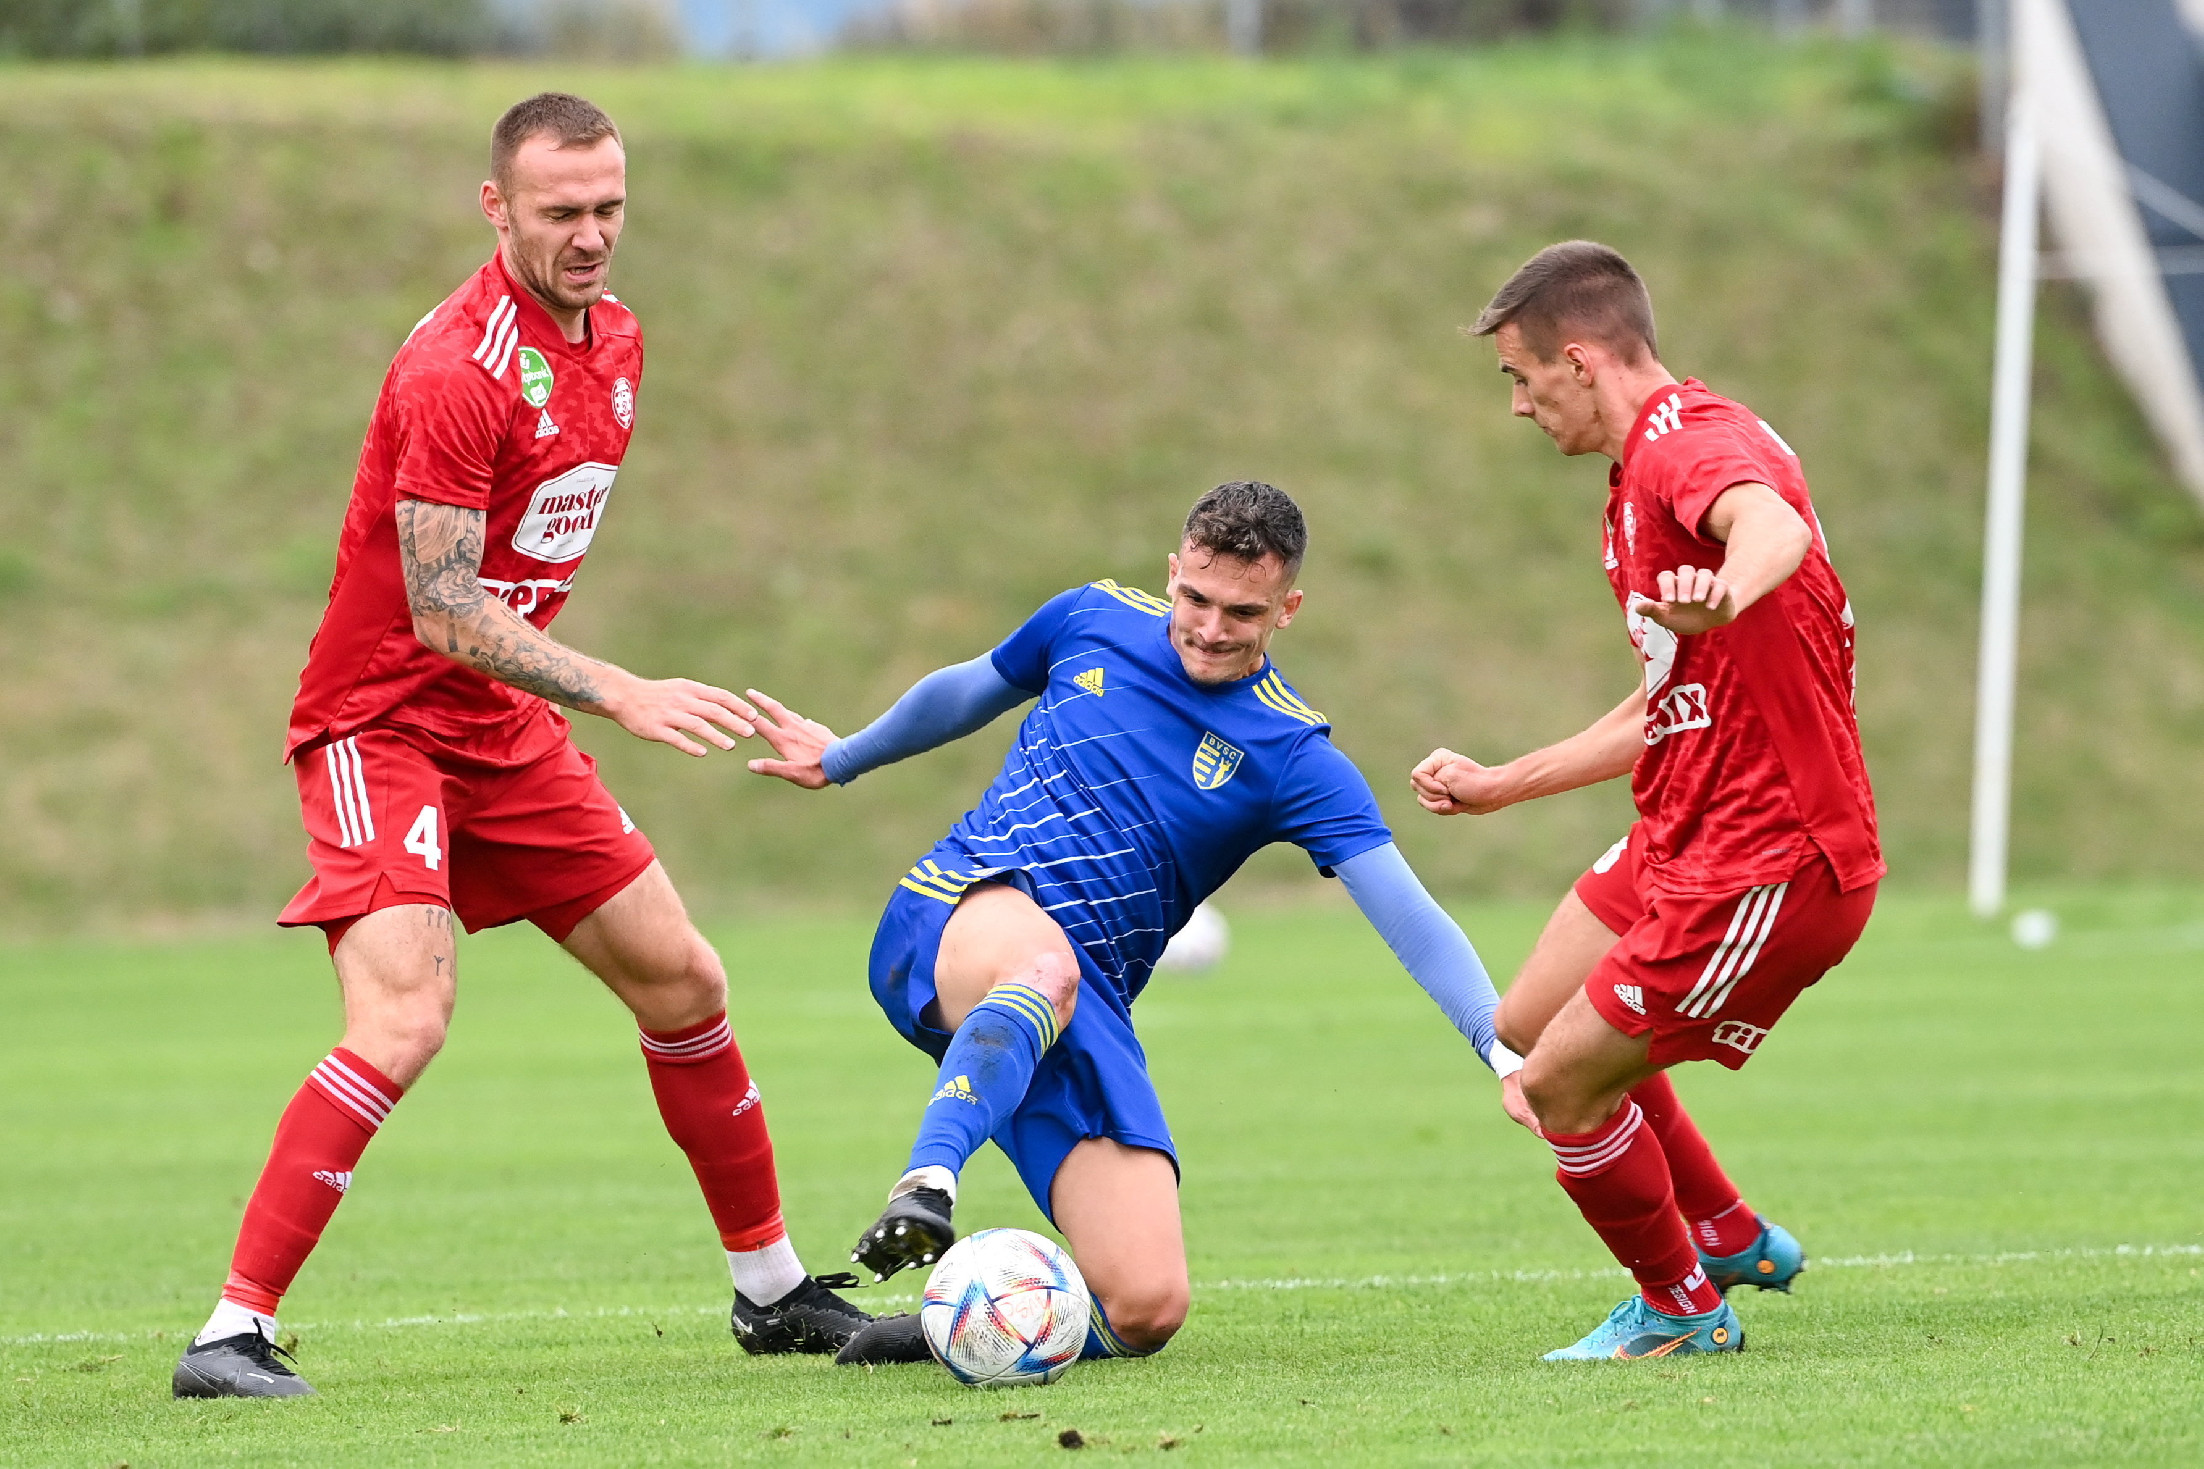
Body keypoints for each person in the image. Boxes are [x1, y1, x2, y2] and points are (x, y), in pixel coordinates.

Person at [171, 92, 868, 1400]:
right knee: (404, 1015)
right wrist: (618, 689)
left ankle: (772, 1295)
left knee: (684, 981)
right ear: (496, 207)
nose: (593, 234)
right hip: (381, 722)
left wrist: (566, 701)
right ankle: (231, 1332)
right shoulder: (453, 369)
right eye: (562, 212)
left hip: (503, 728)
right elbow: (440, 606)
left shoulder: (619, 341)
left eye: (610, 206)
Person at [745, 481, 1519, 1366]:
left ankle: (952, 1327)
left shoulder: (1295, 755)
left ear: (1289, 609)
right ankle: (928, 1181)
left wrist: (1501, 1049)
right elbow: (969, 688)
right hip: (958, 907)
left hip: (1084, 1000)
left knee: (1146, 1305)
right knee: (1044, 964)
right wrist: (841, 757)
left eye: (1243, 610)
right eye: (1195, 597)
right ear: (1171, 572)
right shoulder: (1093, 616)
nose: (1210, 627)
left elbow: (1410, 917)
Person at [1412, 241, 1882, 1360]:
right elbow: (1661, 704)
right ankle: (1719, 1228)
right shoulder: (1634, 488)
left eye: (1523, 378)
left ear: (1579, 360)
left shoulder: (1689, 447)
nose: (1520, 406)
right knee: (1522, 1023)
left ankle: (1679, 1308)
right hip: (1682, 826)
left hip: (1768, 858)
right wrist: (1498, 785)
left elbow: (1768, 523)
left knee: (1557, 1086)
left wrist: (1727, 586)